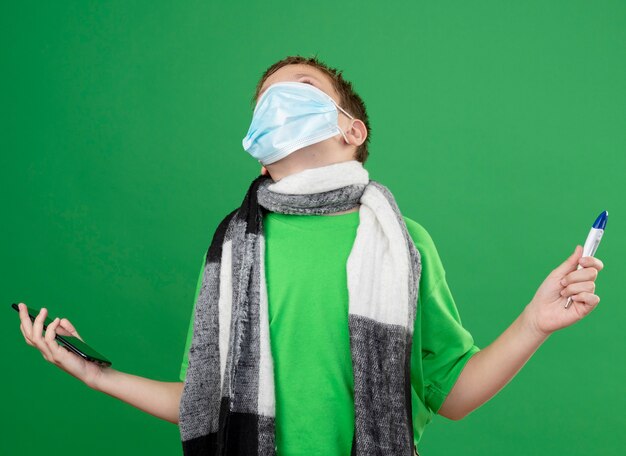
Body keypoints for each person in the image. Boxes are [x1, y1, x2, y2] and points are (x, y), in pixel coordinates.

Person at [15, 55, 604, 455]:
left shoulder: (405, 247)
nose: (278, 101)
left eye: (299, 90)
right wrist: (98, 374)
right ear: (260, 150)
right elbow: (203, 405)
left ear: (352, 129)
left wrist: (534, 322)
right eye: (266, 100)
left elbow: (453, 395)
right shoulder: (230, 252)